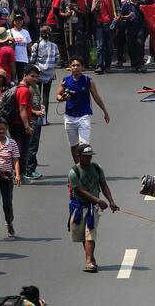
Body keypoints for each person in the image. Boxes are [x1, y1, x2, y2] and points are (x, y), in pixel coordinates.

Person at [67, 144, 119, 273]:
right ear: (78, 156)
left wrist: (111, 201)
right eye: (85, 156)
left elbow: (104, 185)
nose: (88, 159)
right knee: (82, 236)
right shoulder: (74, 172)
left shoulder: (97, 168)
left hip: (93, 208)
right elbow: (80, 190)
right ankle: (91, 258)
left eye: (90, 156)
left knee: (90, 233)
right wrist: (98, 200)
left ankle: (89, 262)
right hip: (79, 206)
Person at [57, 57, 111, 162]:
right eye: (73, 65)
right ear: (70, 67)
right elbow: (58, 96)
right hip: (69, 117)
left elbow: (96, 97)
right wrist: (63, 98)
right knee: (74, 146)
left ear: (82, 67)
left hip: (84, 117)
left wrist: (105, 111)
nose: (76, 68)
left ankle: (85, 167)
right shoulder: (65, 81)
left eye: (78, 65)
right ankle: (78, 167)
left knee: (85, 147)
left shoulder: (88, 81)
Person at [9, 65, 44, 180]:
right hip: (19, 125)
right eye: (32, 76)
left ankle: (20, 174)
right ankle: (20, 174)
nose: (35, 79)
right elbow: (22, 109)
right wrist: (27, 126)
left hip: (18, 124)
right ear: (25, 75)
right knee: (21, 151)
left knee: (21, 150)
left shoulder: (23, 87)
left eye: (36, 77)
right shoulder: (24, 90)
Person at [30, 26, 59, 123]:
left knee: (37, 96)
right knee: (46, 95)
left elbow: (32, 59)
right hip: (49, 73)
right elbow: (57, 59)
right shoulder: (54, 46)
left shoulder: (36, 45)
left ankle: (37, 118)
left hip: (38, 73)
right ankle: (44, 119)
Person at [91, 0, 118, 75]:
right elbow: (93, 11)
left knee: (109, 46)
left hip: (110, 25)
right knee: (100, 46)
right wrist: (98, 1)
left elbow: (118, 10)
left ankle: (108, 65)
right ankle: (99, 65)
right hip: (100, 25)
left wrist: (117, 17)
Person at [9, 13, 31, 80]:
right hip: (12, 59)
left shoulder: (26, 32)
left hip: (23, 59)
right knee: (12, 80)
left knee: (21, 79)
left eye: (20, 20)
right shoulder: (9, 32)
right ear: (13, 22)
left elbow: (29, 46)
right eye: (17, 20)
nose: (19, 21)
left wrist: (32, 57)